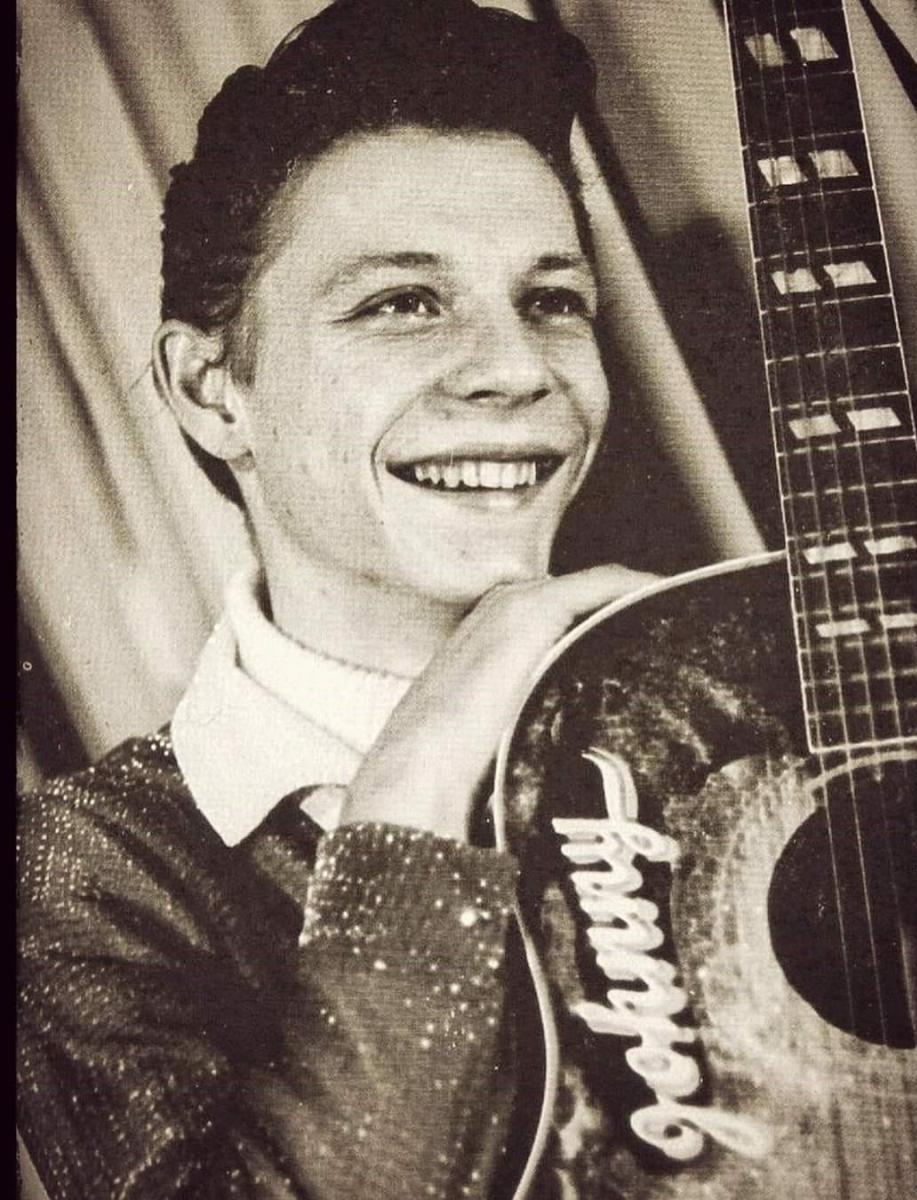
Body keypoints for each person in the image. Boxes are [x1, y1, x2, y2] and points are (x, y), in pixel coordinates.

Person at [17, 1, 655, 1196]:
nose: (519, 369)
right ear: (212, 392)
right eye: (402, 303)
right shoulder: (95, 870)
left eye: (553, 300)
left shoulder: (723, 705)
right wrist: (422, 768)